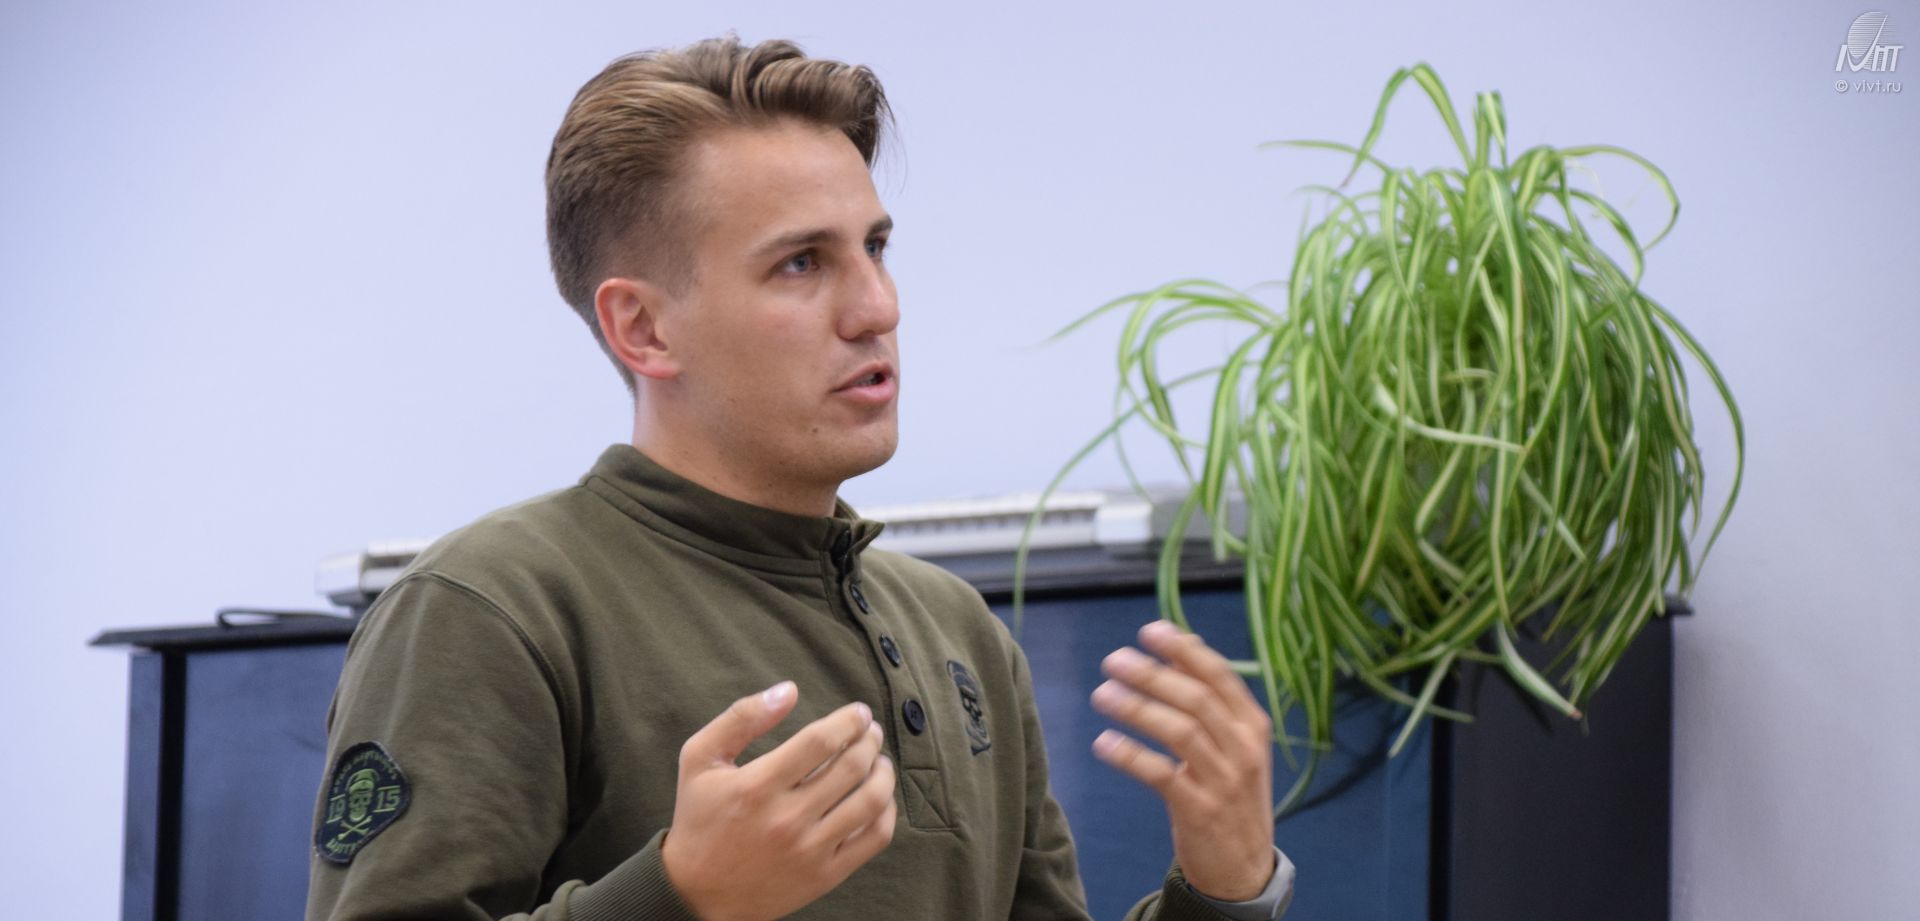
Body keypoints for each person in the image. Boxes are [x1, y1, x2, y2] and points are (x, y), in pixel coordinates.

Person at [305, 34, 1295, 921]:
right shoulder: (490, 605)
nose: (878, 307)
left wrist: (1225, 890)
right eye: (801, 264)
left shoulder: (960, 632)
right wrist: (681, 898)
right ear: (642, 328)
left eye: (875, 247)